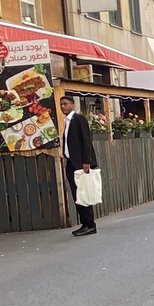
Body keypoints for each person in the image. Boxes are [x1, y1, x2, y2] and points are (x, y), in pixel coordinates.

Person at [60, 93, 99, 236]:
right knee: (77, 194)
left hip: (81, 164)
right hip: (71, 162)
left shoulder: (78, 119)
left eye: (65, 104)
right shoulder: (67, 121)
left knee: (83, 193)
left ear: (72, 105)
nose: (63, 107)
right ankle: (85, 223)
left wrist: (86, 161)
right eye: (61, 104)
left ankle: (90, 224)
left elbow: (86, 140)